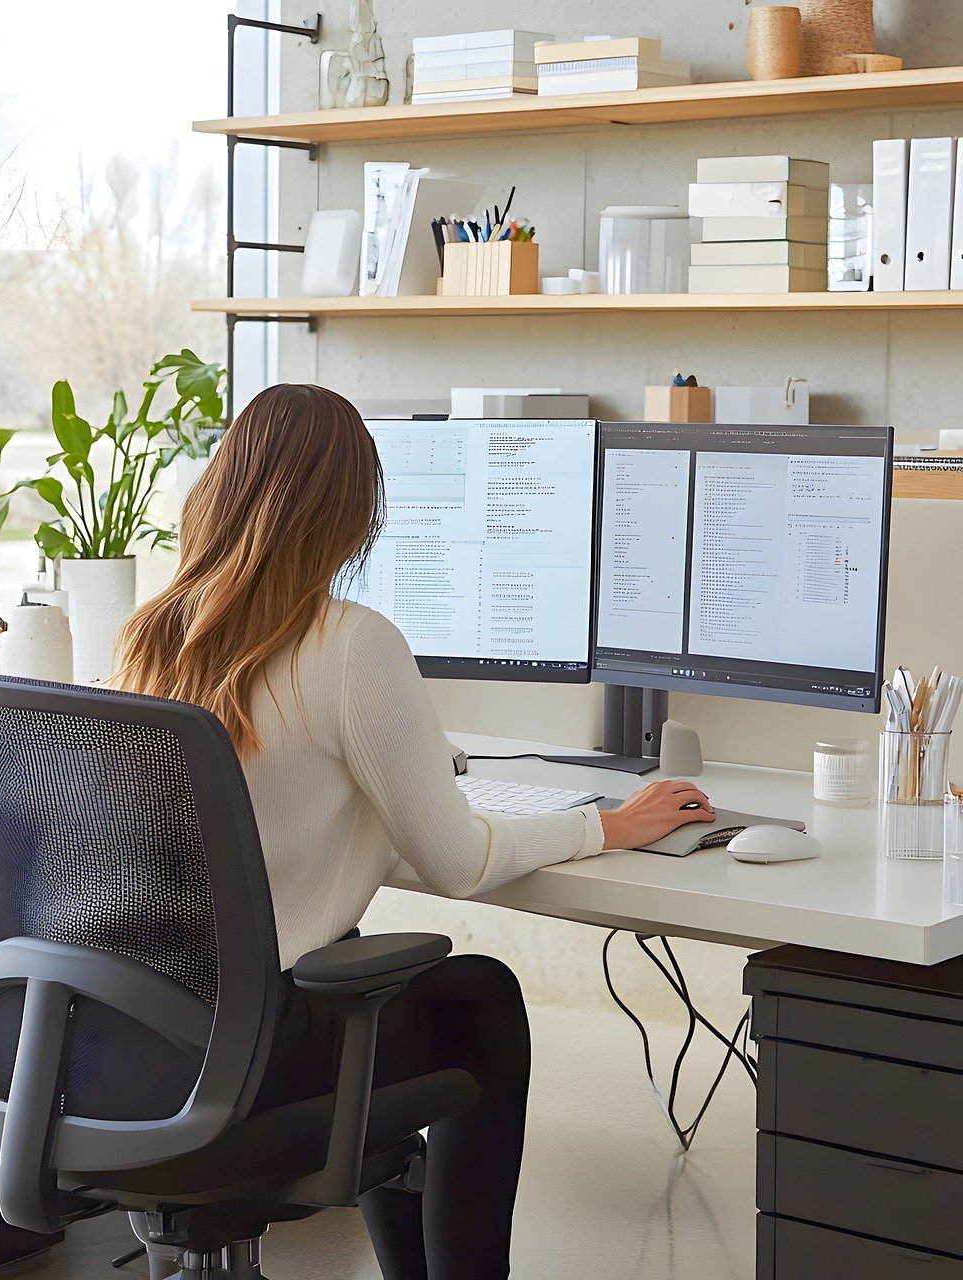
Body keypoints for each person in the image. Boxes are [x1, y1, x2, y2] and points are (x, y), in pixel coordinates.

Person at [115, 384, 714, 1279]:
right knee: (478, 1002)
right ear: (354, 517)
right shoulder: (351, 644)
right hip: (250, 1062)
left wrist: (368, 813)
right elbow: (462, 865)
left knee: (375, 976)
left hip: (127, 1046)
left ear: (222, 490)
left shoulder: (151, 637)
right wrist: (606, 826)